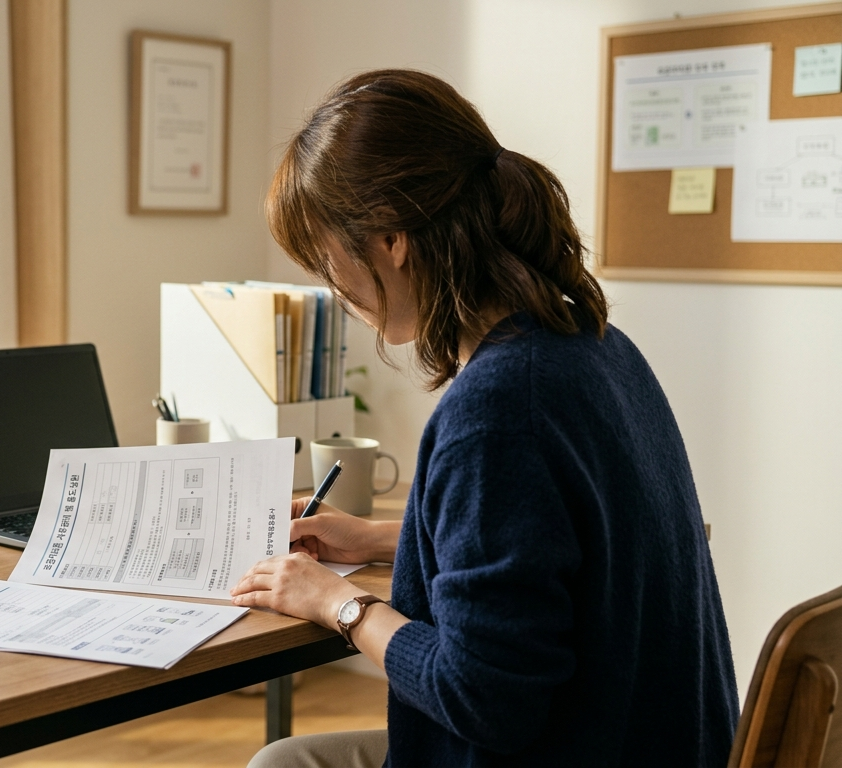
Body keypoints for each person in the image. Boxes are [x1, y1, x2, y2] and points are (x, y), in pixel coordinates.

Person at [233, 69, 738, 767]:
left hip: (580, 744)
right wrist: (383, 538)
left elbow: (484, 698)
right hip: (658, 738)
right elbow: (561, 548)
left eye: (325, 257)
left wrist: (338, 605)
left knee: (279, 763)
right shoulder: (593, 344)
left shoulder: (499, 409)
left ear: (390, 239)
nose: (331, 285)